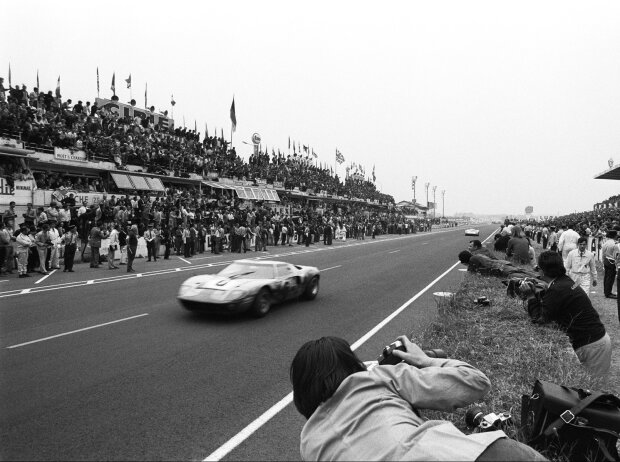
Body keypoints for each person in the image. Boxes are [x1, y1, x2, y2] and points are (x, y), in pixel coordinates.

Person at [290, 336, 546, 461]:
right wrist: (424, 360)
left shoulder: (309, 442)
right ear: (352, 366)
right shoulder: (377, 378)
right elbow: (476, 382)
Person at [521, 251, 611, 381]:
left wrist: (530, 296)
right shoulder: (566, 281)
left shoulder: (557, 289)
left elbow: (539, 319)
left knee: (593, 391)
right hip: (597, 341)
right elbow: (556, 302)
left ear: (541, 271)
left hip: (593, 346)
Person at [601, 229, 617, 299]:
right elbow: (616, 255)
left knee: (606, 277)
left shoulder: (606, 242)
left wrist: (603, 261)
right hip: (612, 261)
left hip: (606, 260)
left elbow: (603, 253)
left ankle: (606, 292)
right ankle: (608, 293)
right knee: (610, 278)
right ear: (615, 235)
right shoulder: (614, 244)